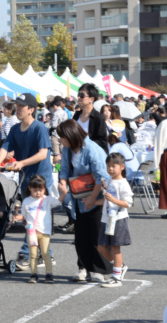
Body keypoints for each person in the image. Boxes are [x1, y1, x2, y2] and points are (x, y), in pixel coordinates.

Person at [0, 92, 54, 271]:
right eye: (16, 105)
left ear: (31, 110)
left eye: (21, 106)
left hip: (41, 180)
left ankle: (26, 255)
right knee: (34, 218)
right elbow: (5, 146)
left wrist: (22, 163)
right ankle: (46, 254)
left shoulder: (39, 128)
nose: (17, 109)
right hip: (25, 178)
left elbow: (43, 153)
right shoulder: (14, 129)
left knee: (33, 218)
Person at [57, 119, 112, 283]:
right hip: (78, 196)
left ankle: (98, 269)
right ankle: (83, 267)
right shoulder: (68, 149)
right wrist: (62, 180)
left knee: (96, 235)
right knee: (80, 236)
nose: (60, 140)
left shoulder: (92, 150)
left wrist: (93, 198)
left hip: (96, 196)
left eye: (62, 137)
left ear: (71, 135)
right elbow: (65, 168)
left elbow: (102, 177)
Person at [14, 175, 61, 284]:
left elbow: (58, 202)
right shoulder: (26, 201)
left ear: (44, 189)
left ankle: (49, 274)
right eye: (35, 190)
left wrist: (63, 193)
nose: (38, 193)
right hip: (32, 233)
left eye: (41, 190)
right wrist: (18, 218)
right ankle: (33, 274)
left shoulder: (47, 199)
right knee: (33, 254)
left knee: (45, 253)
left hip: (44, 232)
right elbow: (24, 216)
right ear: (30, 188)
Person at [97, 153, 133, 288]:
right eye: (108, 166)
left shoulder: (123, 183)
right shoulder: (109, 181)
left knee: (115, 248)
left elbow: (128, 203)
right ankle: (120, 266)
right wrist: (95, 201)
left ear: (122, 167)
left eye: (114, 166)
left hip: (118, 219)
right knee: (101, 247)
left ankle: (117, 277)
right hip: (106, 219)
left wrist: (113, 200)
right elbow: (106, 198)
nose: (110, 169)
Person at [74, 83, 109, 153]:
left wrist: (83, 143)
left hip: (92, 156)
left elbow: (102, 141)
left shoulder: (98, 118)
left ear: (91, 99)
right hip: (77, 156)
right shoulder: (76, 115)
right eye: (78, 95)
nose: (79, 98)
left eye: (82, 95)